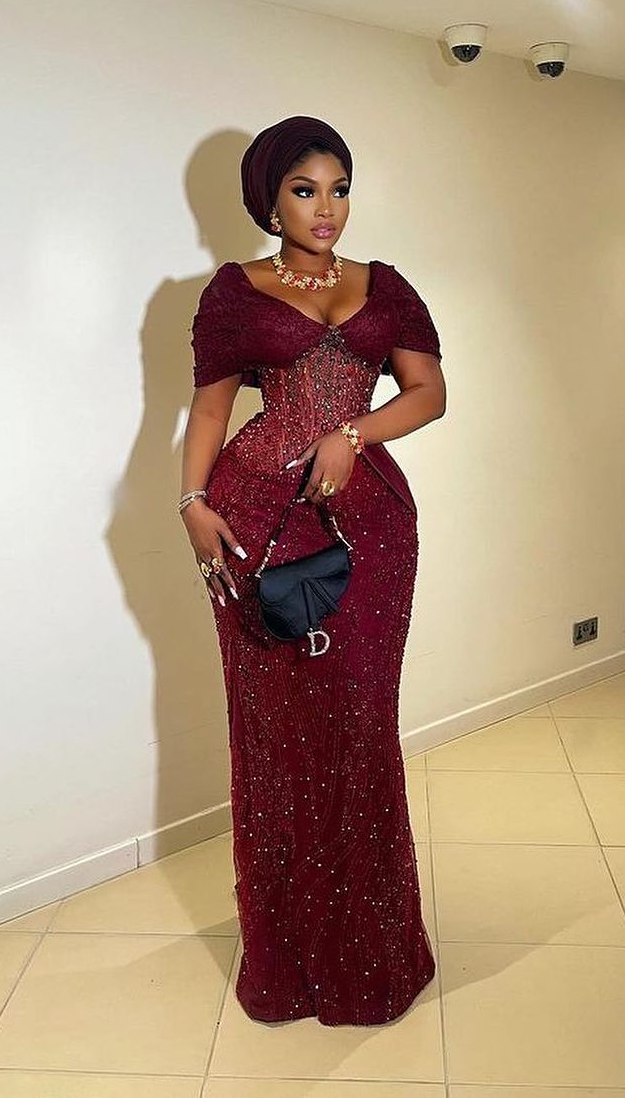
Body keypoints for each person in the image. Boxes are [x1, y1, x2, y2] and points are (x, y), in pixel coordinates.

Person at [179, 114, 446, 1027]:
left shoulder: (384, 286)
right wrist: (192, 501)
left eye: (339, 189)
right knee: (277, 739)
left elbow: (428, 393)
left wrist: (352, 432)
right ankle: (287, 965)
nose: (326, 208)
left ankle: (369, 957)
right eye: (304, 190)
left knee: (360, 728)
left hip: (370, 527)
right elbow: (208, 412)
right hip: (256, 521)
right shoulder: (235, 292)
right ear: (270, 200)